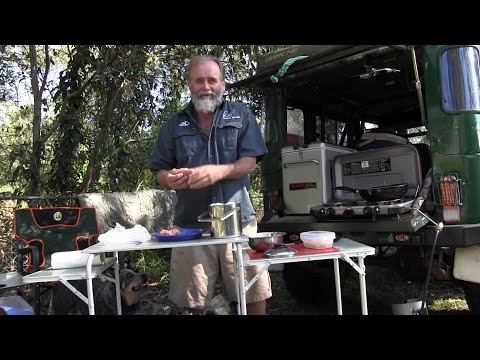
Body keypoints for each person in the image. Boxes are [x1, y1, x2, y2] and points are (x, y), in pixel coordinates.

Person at [148, 55, 272, 315]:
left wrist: (218, 172)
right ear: (190, 84)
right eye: (199, 80)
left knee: (252, 291)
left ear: (223, 84)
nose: (206, 86)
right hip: (191, 226)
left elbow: (249, 162)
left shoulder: (241, 115)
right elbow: (160, 171)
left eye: (212, 80)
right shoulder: (174, 125)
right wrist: (169, 179)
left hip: (238, 221)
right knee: (193, 299)